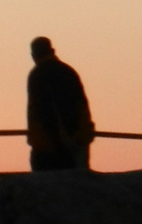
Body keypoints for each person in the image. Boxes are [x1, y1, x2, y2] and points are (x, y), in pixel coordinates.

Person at [27, 36, 93, 171]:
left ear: (33, 55)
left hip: (47, 146)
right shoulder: (68, 72)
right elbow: (80, 105)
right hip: (75, 141)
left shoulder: (37, 75)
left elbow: (38, 111)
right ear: (52, 50)